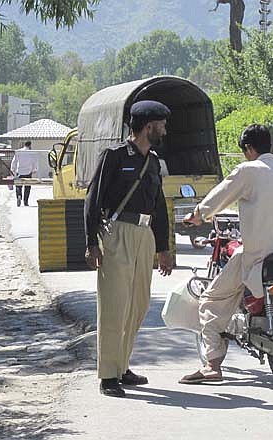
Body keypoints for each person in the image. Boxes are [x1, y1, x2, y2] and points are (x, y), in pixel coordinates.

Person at [179, 124, 273, 384]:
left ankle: (212, 364)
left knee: (210, 300)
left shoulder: (248, 170)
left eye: (245, 151)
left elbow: (222, 195)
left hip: (259, 254)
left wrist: (198, 215)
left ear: (249, 149)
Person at [84, 100, 174, 398]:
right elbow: (93, 199)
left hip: (144, 235)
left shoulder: (153, 161)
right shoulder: (114, 156)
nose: (165, 129)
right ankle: (108, 375)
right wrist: (91, 243)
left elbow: (159, 206)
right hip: (118, 233)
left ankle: (122, 365)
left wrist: (163, 247)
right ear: (149, 126)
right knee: (114, 306)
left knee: (138, 305)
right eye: (161, 124)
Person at [10, 140, 38, 206]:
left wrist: (12, 169)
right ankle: (26, 201)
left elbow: (14, 161)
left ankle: (19, 195)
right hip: (28, 172)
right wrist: (34, 169)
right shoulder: (31, 152)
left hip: (19, 171)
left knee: (18, 185)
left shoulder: (19, 151)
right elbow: (34, 162)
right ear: (30, 145)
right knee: (27, 186)